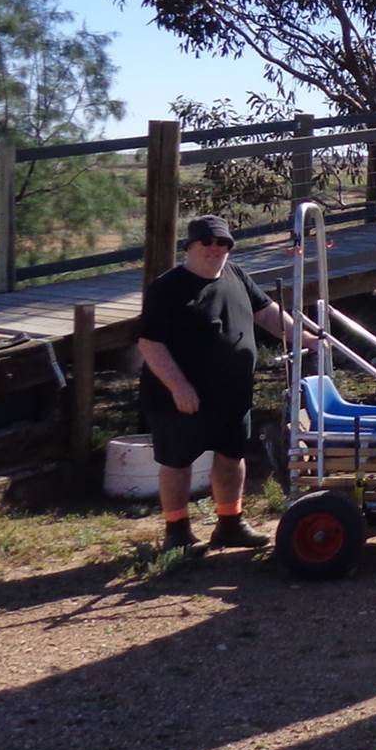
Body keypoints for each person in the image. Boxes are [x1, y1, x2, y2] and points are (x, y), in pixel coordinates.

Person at [137, 215, 294, 554]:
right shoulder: (167, 288)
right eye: (207, 242)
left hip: (232, 392)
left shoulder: (236, 275)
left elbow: (267, 313)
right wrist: (179, 386)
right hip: (180, 396)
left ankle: (230, 523)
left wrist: (305, 337)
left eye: (222, 243)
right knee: (177, 461)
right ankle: (177, 533)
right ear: (190, 246)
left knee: (230, 455)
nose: (215, 249)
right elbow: (150, 344)